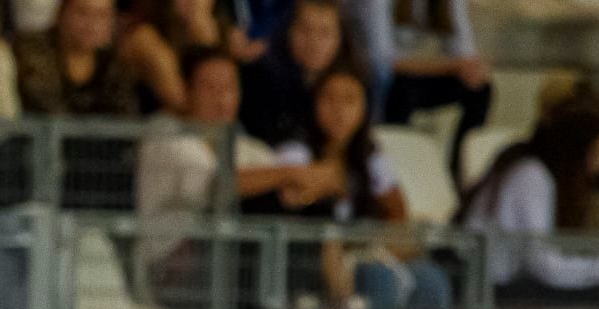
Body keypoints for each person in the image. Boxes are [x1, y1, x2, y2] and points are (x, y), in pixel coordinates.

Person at [269, 69, 453, 309]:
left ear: (364, 109)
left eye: (349, 100)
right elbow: (295, 198)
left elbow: (397, 213)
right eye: (329, 99)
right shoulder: (295, 150)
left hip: (362, 250)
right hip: (309, 261)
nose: (339, 110)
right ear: (313, 103)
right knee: (380, 279)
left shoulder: (371, 158)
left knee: (430, 279)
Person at [136, 46, 298, 304]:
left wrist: (315, 176)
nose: (221, 99)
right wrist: (290, 174)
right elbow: (220, 185)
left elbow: (289, 186)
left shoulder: (244, 145)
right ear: (187, 91)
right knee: (252, 202)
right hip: (172, 274)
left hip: (228, 270)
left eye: (229, 88)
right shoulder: (165, 132)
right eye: (209, 88)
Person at [460, 87, 599, 305]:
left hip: (509, 286)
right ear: (576, 153)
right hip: (493, 292)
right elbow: (546, 268)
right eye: (597, 153)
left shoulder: (534, 169)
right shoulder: (531, 176)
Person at [349, 0, 488, 184]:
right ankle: (392, 169)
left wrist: (472, 69)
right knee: (403, 89)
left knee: (480, 89)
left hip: (422, 74)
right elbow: (383, 60)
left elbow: (464, 51)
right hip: (379, 80)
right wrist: (449, 65)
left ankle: (459, 175)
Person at [237, 0, 359, 148]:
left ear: (340, 38)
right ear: (288, 31)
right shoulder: (261, 77)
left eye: (325, 33)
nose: (314, 42)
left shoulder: (351, 83)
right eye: (305, 30)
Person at [13, 0, 135, 117]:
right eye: (82, 12)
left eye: (102, 15)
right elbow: (43, 108)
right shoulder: (33, 50)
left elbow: (124, 116)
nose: (92, 24)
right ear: (61, 13)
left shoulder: (113, 62)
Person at [118, 0, 240, 114]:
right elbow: (190, 107)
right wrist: (204, 38)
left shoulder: (215, 30)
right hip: (152, 130)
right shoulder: (144, 37)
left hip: (194, 132)